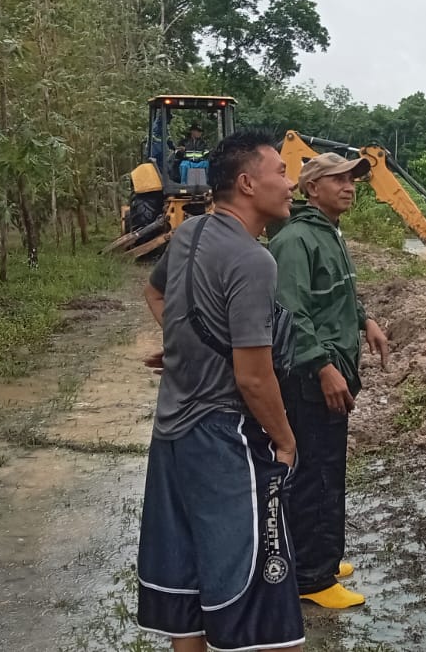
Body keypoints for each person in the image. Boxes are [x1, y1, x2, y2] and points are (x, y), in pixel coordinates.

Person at [135, 130, 305, 652]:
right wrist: (286, 439)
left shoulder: (190, 234)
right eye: (280, 171)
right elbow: (254, 377)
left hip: (172, 441)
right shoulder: (255, 261)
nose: (290, 181)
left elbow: (156, 290)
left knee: (188, 602)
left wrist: (186, 345)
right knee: (260, 603)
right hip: (223, 441)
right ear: (249, 183)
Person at [267, 152, 390, 609]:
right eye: (337, 179)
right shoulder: (297, 240)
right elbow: (291, 312)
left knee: (327, 467)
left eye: (353, 179)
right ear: (311, 187)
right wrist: (323, 367)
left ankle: (322, 554)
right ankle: (312, 579)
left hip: (332, 368)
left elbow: (336, 294)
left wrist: (366, 320)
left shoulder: (328, 234)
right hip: (310, 377)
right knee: (315, 472)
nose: (349, 186)